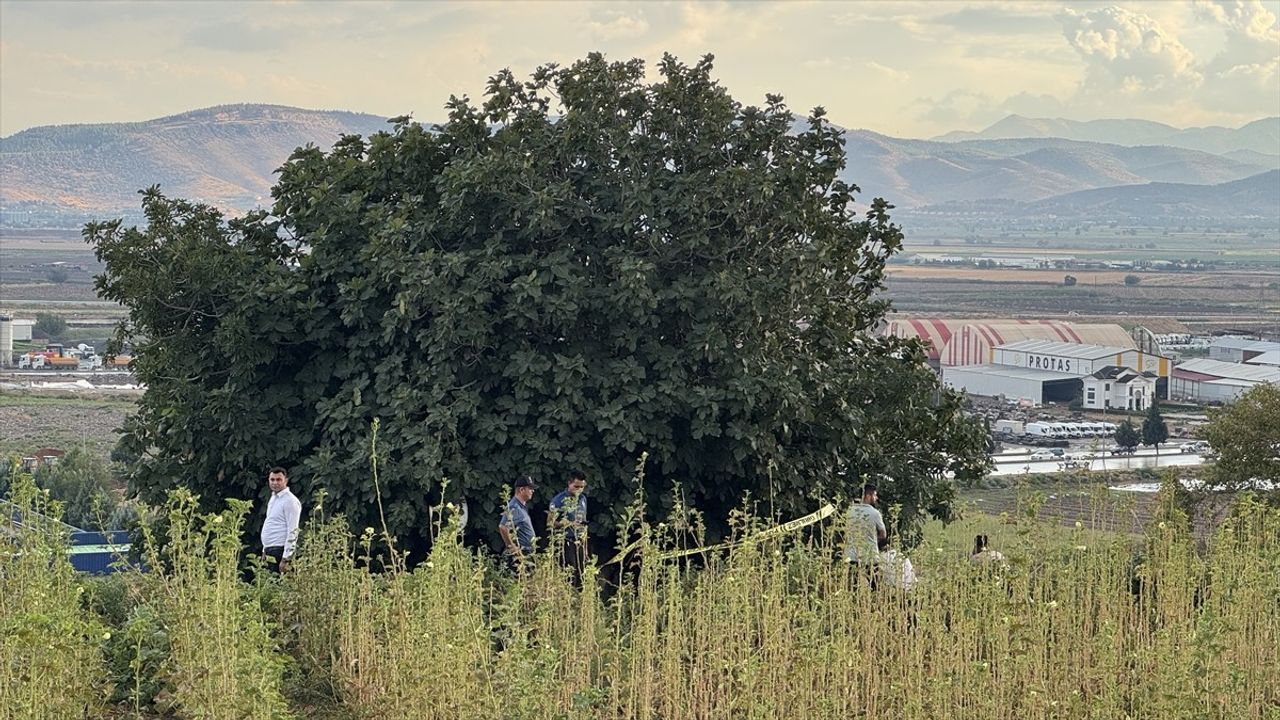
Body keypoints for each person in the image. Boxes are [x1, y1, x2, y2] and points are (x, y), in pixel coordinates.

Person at [547, 469, 589, 587]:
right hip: (566, 541)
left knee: (582, 573)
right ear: (569, 483)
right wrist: (567, 523)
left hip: (580, 540)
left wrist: (585, 547)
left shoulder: (583, 499)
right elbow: (550, 523)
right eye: (576, 486)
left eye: (582, 487)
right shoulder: (559, 500)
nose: (579, 490)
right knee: (570, 573)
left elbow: (584, 524)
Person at [844, 481, 887, 587]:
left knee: (852, 586)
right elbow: (883, 534)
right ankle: (873, 602)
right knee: (875, 585)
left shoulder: (850, 510)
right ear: (868, 495)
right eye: (875, 495)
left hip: (852, 555)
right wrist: (872, 540)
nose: (876, 498)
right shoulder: (875, 513)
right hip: (870, 555)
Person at [260, 466, 302, 573]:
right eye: (272, 479)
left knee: (276, 585)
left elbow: (293, 530)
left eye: (279, 480)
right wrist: (264, 550)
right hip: (270, 548)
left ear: (286, 481)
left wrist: (286, 558)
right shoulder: (273, 498)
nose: (275, 483)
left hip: (280, 549)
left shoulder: (290, 501)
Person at [498, 475, 537, 575]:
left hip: (528, 551)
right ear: (521, 489)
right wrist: (512, 547)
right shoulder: (514, 507)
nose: (532, 491)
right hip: (521, 553)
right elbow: (503, 527)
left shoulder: (522, 507)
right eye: (530, 488)